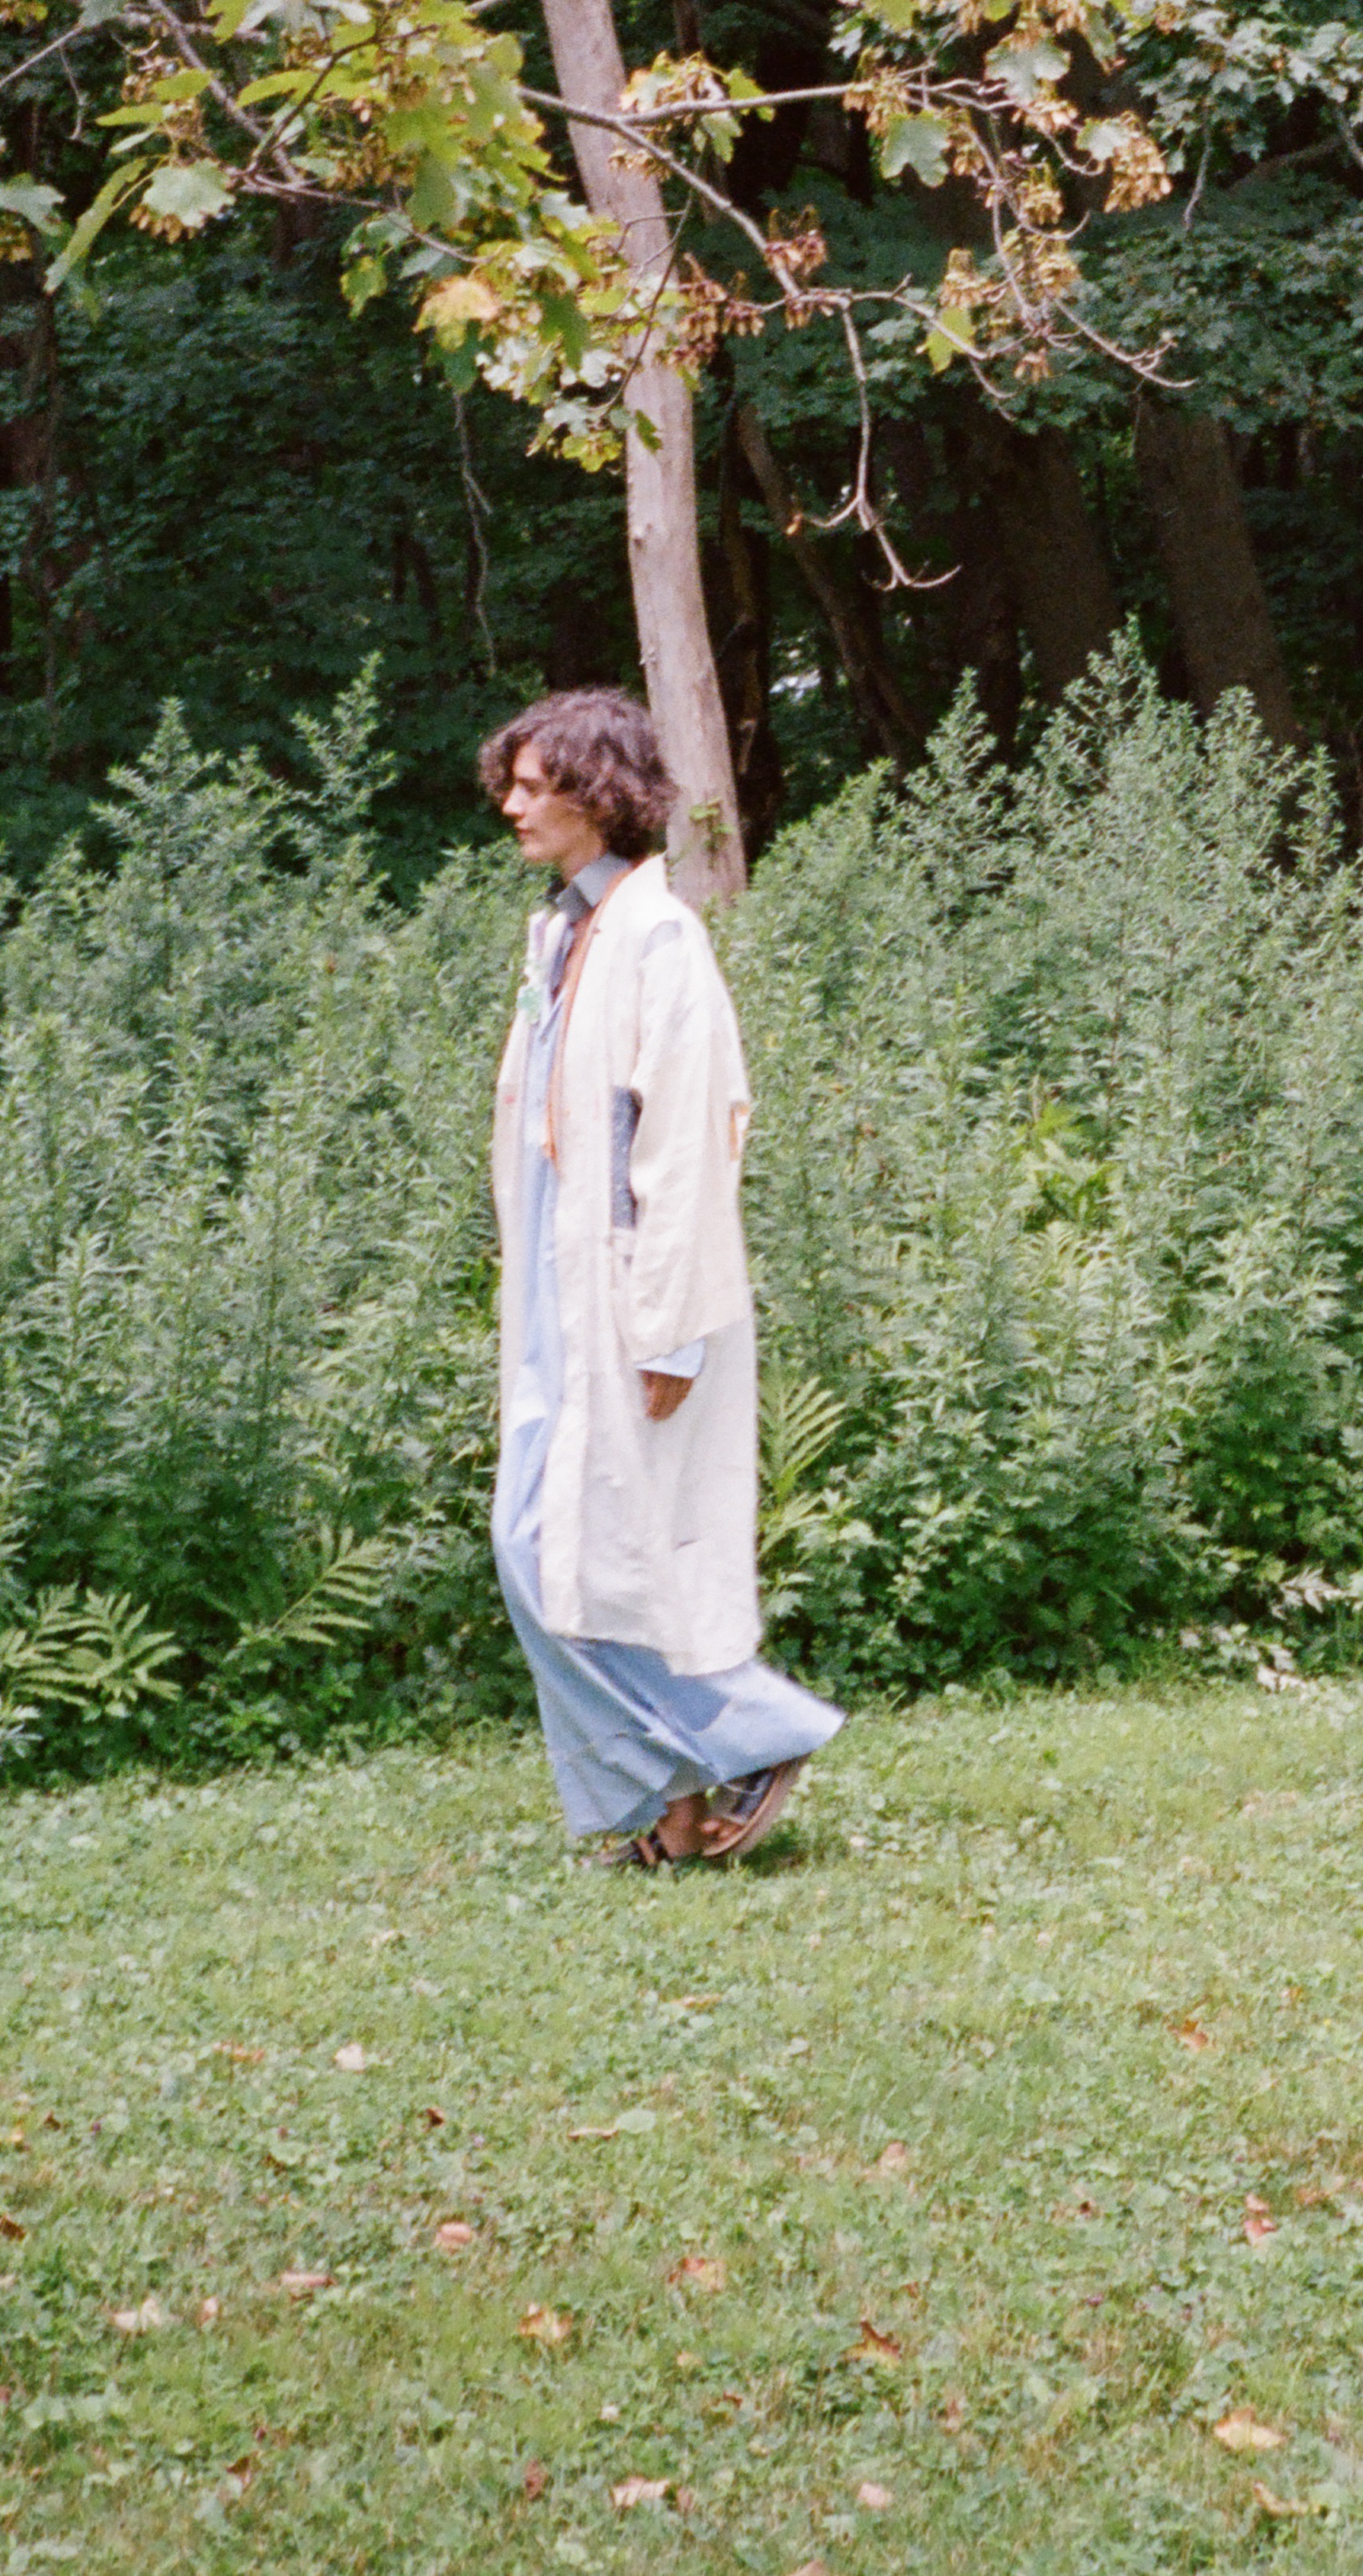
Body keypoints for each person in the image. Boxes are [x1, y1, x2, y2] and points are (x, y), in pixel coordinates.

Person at [478, 687, 837, 1865]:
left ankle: (747, 1738)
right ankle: (676, 1796)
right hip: (555, 1278)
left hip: (639, 1292)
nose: (512, 803)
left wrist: (669, 1328)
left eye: (536, 784)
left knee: (587, 1557)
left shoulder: (658, 933)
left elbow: (685, 1132)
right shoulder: (561, 929)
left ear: (597, 793)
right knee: (544, 1553)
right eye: (512, 783)